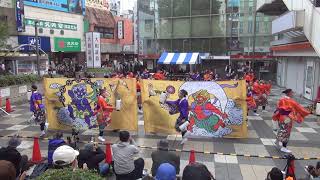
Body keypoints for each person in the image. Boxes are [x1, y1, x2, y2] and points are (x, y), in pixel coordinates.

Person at [272, 89, 310, 153]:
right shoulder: (291, 101)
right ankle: (283, 147)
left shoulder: (281, 100)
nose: (293, 94)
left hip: (281, 117)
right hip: (287, 118)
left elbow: (278, 108)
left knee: (281, 129)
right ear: (289, 93)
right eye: (292, 93)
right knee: (286, 132)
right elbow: (299, 108)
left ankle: (277, 141)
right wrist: (308, 112)